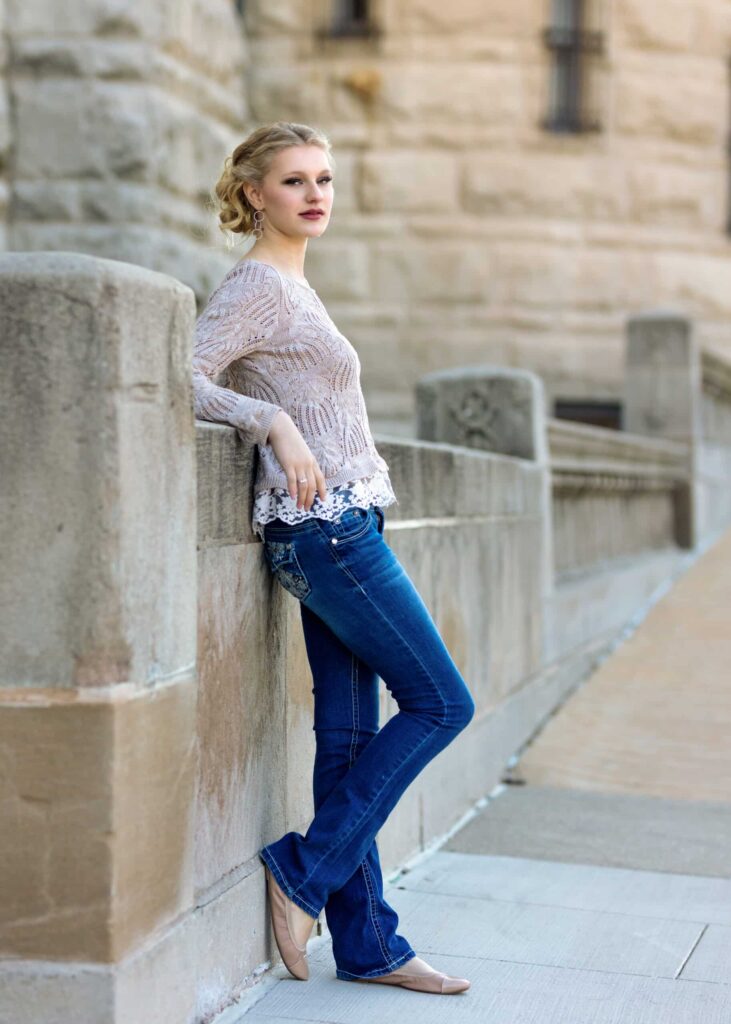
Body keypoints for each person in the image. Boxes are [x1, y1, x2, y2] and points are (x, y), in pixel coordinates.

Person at [192, 121, 476, 995]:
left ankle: (368, 945)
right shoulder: (256, 287)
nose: (314, 194)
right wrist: (265, 420)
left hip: (343, 525)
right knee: (441, 703)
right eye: (292, 181)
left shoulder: (293, 286)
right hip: (327, 534)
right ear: (252, 195)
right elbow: (179, 371)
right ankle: (302, 872)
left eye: (323, 178)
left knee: (350, 734)